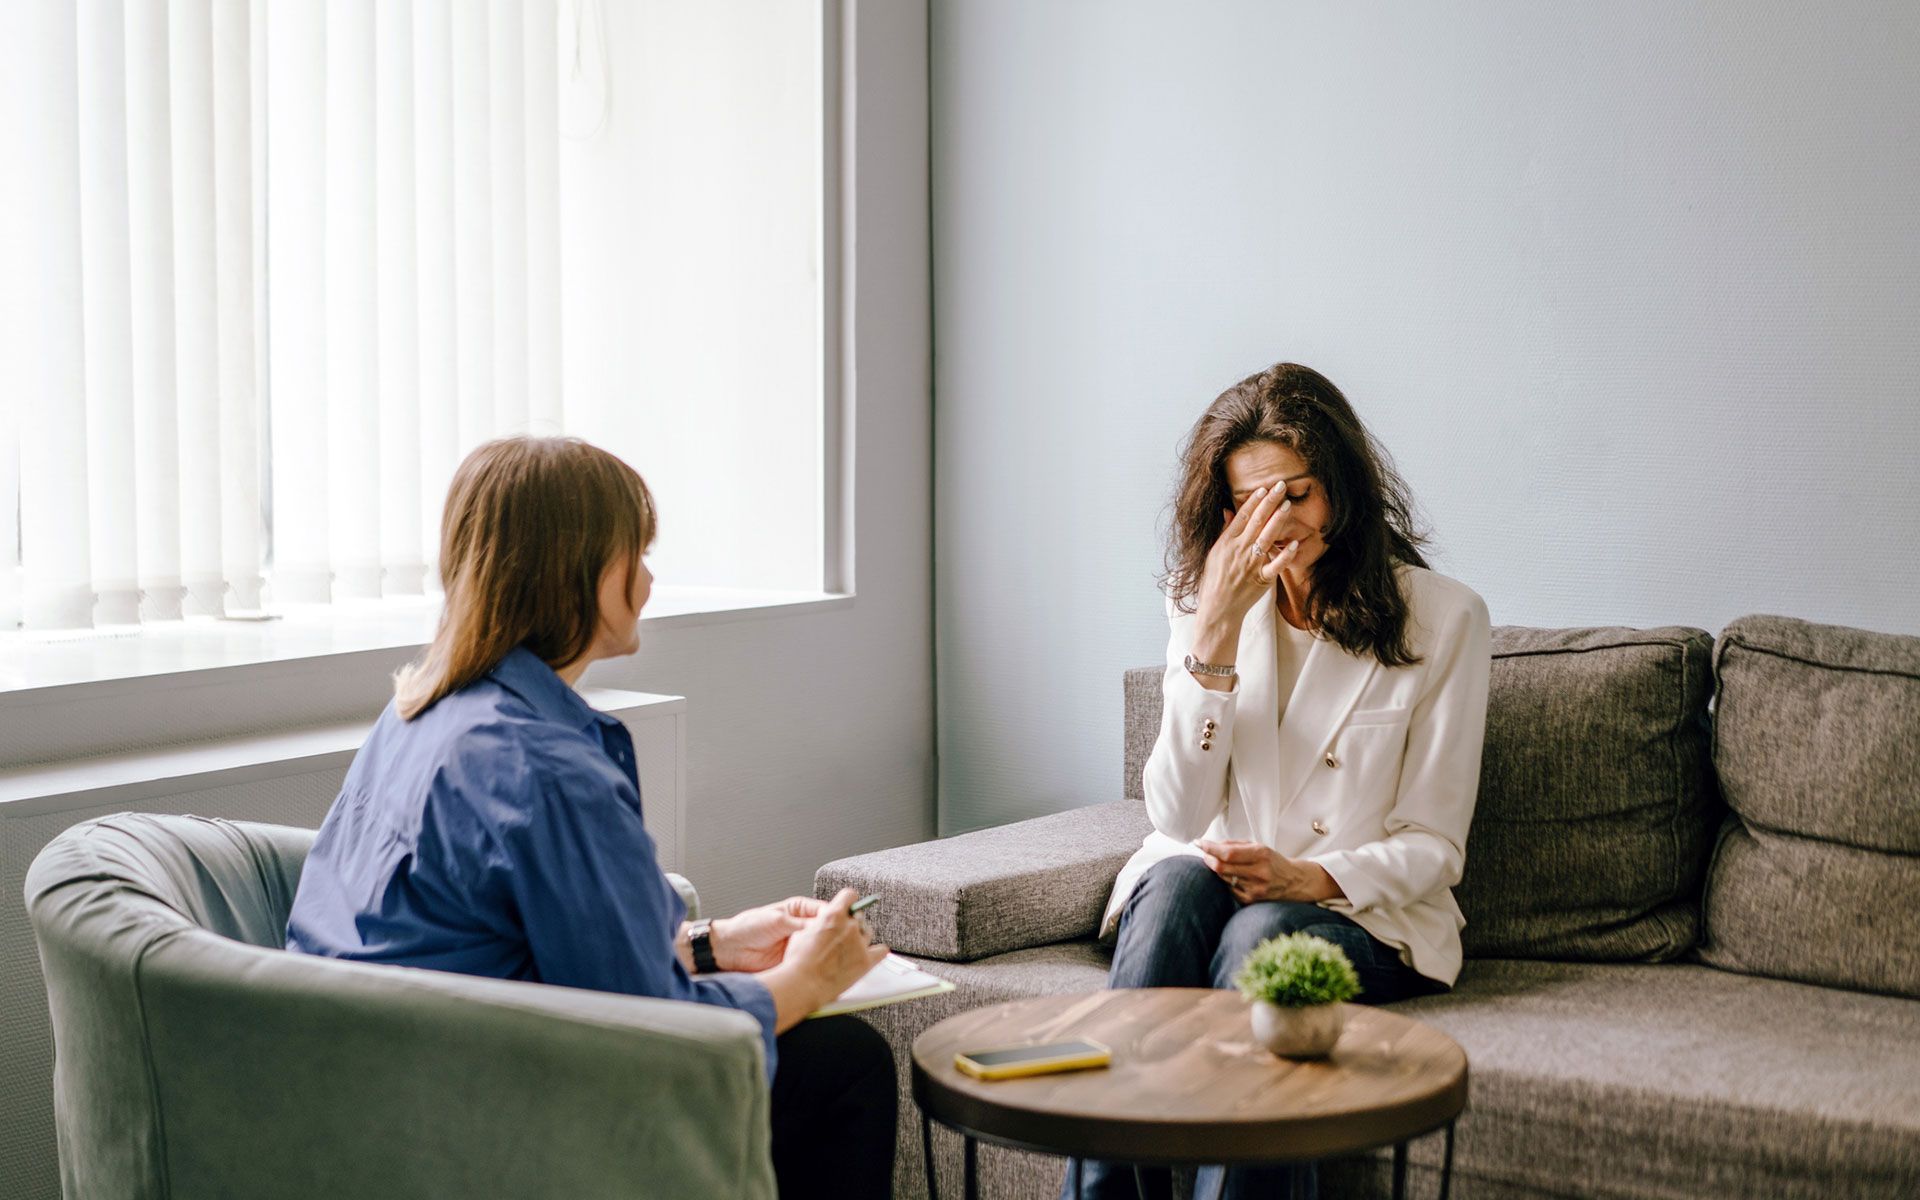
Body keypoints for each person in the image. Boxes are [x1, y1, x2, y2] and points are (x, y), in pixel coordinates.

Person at [286, 436, 896, 1200]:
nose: (647, 578)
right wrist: (804, 981)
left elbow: (495, 947)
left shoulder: (418, 712)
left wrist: (711, 946)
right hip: (484, 1114)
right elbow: (646, 1034)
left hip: (362, 1095)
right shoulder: (548, 768)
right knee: (848, 1063)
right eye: (634, 552)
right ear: (576, 572)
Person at [1068, 363, 1492, 1200]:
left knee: (1262, 945)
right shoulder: (1203, 601)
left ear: (1340, 489)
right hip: (1216, 879)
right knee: (1169, 897)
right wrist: (1216, 631)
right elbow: (1181, 813)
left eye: (1297, 495)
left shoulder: (1445, 618)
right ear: (1225, 512)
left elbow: (1435, 846)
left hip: (1363, 911)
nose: (1277, 522)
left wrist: (1309, 877)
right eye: (1252, 504)